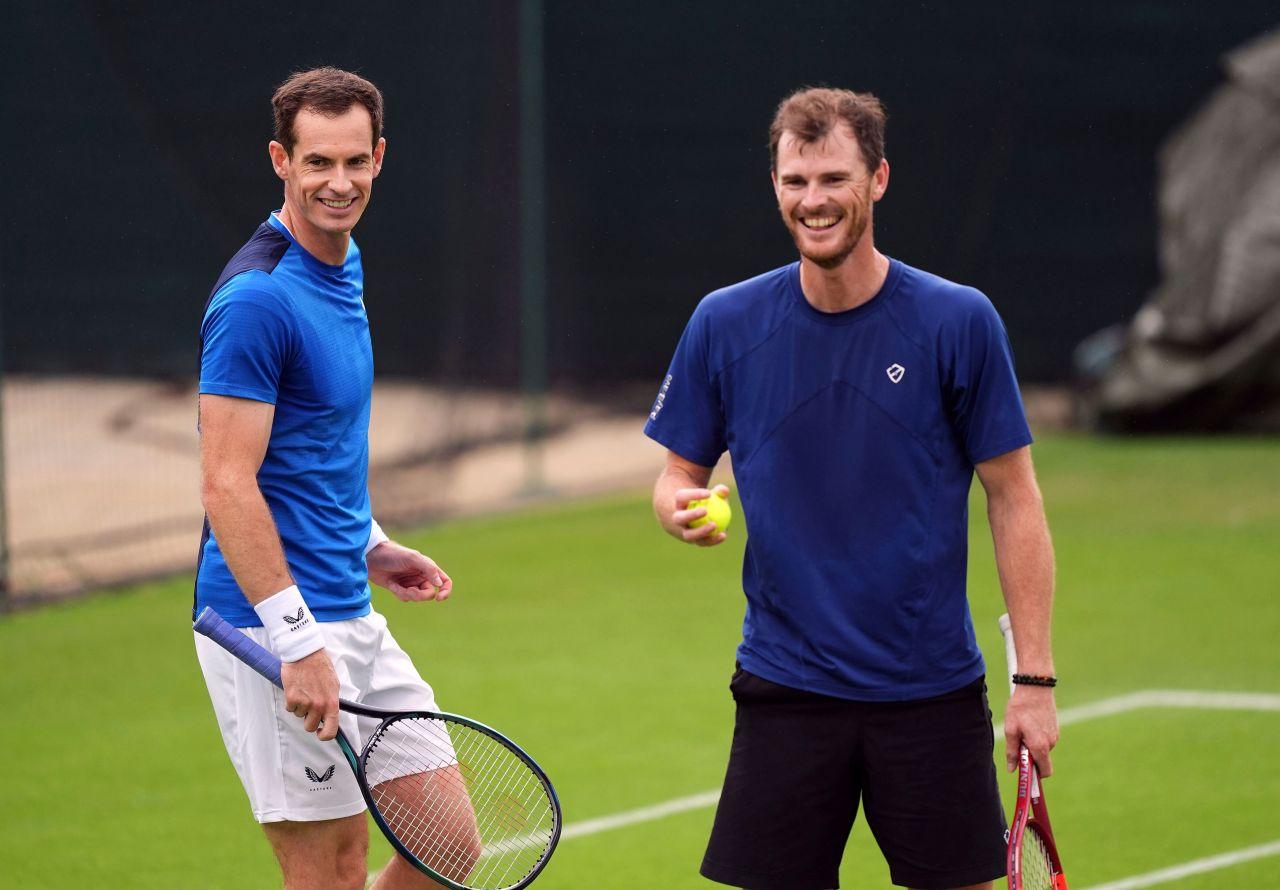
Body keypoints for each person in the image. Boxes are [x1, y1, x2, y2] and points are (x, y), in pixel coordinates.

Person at [645, 87, 1060, 890]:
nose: (813, 201)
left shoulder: (957, 322)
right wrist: (676, 508)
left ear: (878, 180)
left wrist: (1034, 682)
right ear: (774, 184)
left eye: (834, 178)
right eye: (795, 181)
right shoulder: (723, 322)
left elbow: (1014, 498)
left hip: (929, 692)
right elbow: (677, 472)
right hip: (784, 690)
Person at [193, 68, 470, 890]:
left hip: (348, 603)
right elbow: (226, 484)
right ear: (281, 160)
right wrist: (296, 640)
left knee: (448, 847)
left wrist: (371, 543)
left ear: (380, 157)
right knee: (332, 874)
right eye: (317, 163)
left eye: (355, 162)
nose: (338, 183)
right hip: (268, 628)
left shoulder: (342, 261)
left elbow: (316, 444)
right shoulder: (257, 300)